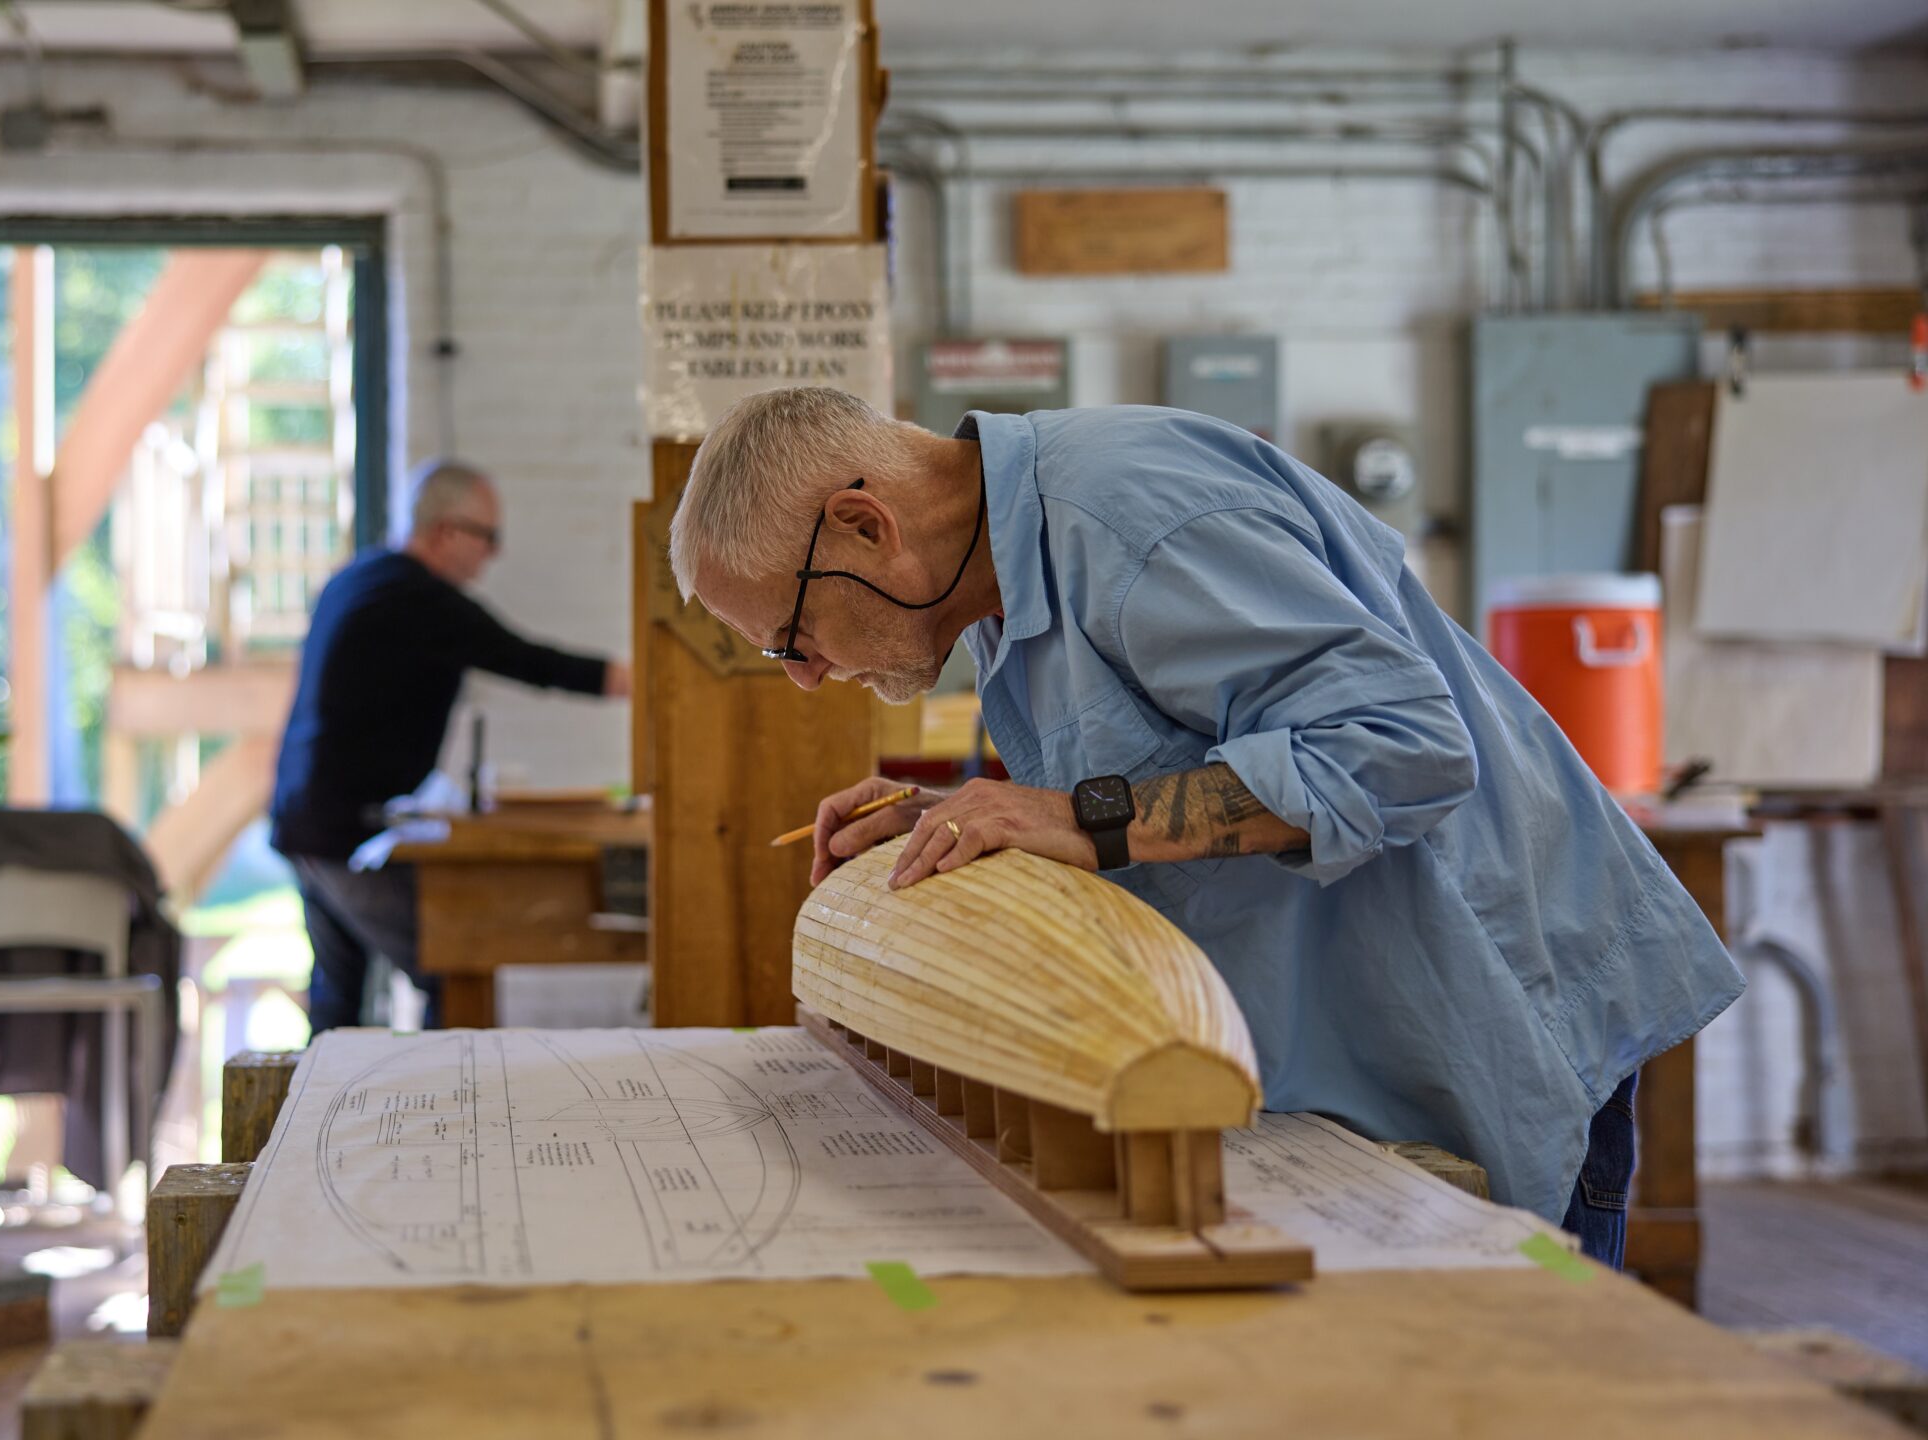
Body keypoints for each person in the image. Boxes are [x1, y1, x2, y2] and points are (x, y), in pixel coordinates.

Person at [665, 386, 1742, 1265]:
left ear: (864, 524)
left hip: (1499, 1000)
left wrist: (1078, 817)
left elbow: (1401, 745)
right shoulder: (1000, 579)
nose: (805, 679)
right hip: (1352, 1045)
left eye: (791, 636)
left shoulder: (1130, 517)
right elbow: (1167, 767)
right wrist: (974, 814)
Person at [271, 461, 630, 1031]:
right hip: (339, 832)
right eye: (487, 537)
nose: (491, 554)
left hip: (306, 819)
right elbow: (531, 661)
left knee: (338, 1000)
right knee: (450, 965)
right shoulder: (418, 597)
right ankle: (452, 1116)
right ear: (445, 531)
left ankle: (339, 1116)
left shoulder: (363, 576)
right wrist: (639, 682)